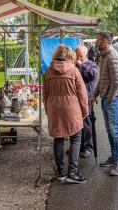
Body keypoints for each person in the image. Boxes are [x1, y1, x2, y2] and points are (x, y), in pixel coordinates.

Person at [43, 44, 89, 184]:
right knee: (75, 139)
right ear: (70, 56)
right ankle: (72, 173)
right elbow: (82, 94)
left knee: (58, 139)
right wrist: (85, 110)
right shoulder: (74, 71)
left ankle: (61, 173)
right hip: (72, 110)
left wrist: (47, 110)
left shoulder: (48, 72)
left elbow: (45, 95)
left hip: (54, 110)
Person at [91, 31, 118, 176]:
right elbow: (102, 79)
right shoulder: (104, 56)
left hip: (114, 99)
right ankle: (114, 157)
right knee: (110, 129)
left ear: (105, 41)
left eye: (98, 40)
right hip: (108, 98)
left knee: (114, 130)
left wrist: (109, 98)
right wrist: (95, 95)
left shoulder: (112, 57)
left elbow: (117, 82)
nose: (96, 42)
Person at [75, 46, 99, 158]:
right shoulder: (74, 64)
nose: (79, 57)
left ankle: (88, 147)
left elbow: (92, 75)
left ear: (86, 54)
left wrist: (81, 65)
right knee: (76, 123)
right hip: (75, 99)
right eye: (77, 55)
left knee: (87, 123)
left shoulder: (91, 64)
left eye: (81, 55)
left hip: (87, 98)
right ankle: (77, 147)